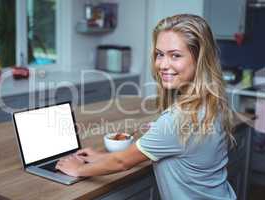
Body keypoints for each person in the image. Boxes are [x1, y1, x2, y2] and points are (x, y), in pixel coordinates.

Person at [56, 14, 236, 200]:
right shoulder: (212, 102)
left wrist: (79, 169)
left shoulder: (179, 119)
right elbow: (145, 153)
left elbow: (122, 162)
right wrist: (99, 157)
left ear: (200, 59)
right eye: (160, 54)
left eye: (175, 55)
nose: (163, 65)